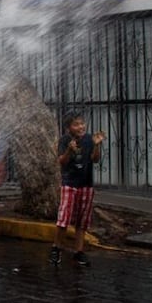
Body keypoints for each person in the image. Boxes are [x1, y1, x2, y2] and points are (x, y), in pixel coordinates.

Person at [52, 112, 105, 267]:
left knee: (82, 221)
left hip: (86, 184)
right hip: (69, 183)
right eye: (76, 124)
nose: (81, 127)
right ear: (69, 128)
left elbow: (95, 159)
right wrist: (69, 150)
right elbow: (61, 161)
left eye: (82, 123)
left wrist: (96, 145)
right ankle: (56, 248)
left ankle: (79, 252)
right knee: (64, 219)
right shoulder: (64, 140)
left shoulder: (89, 139)